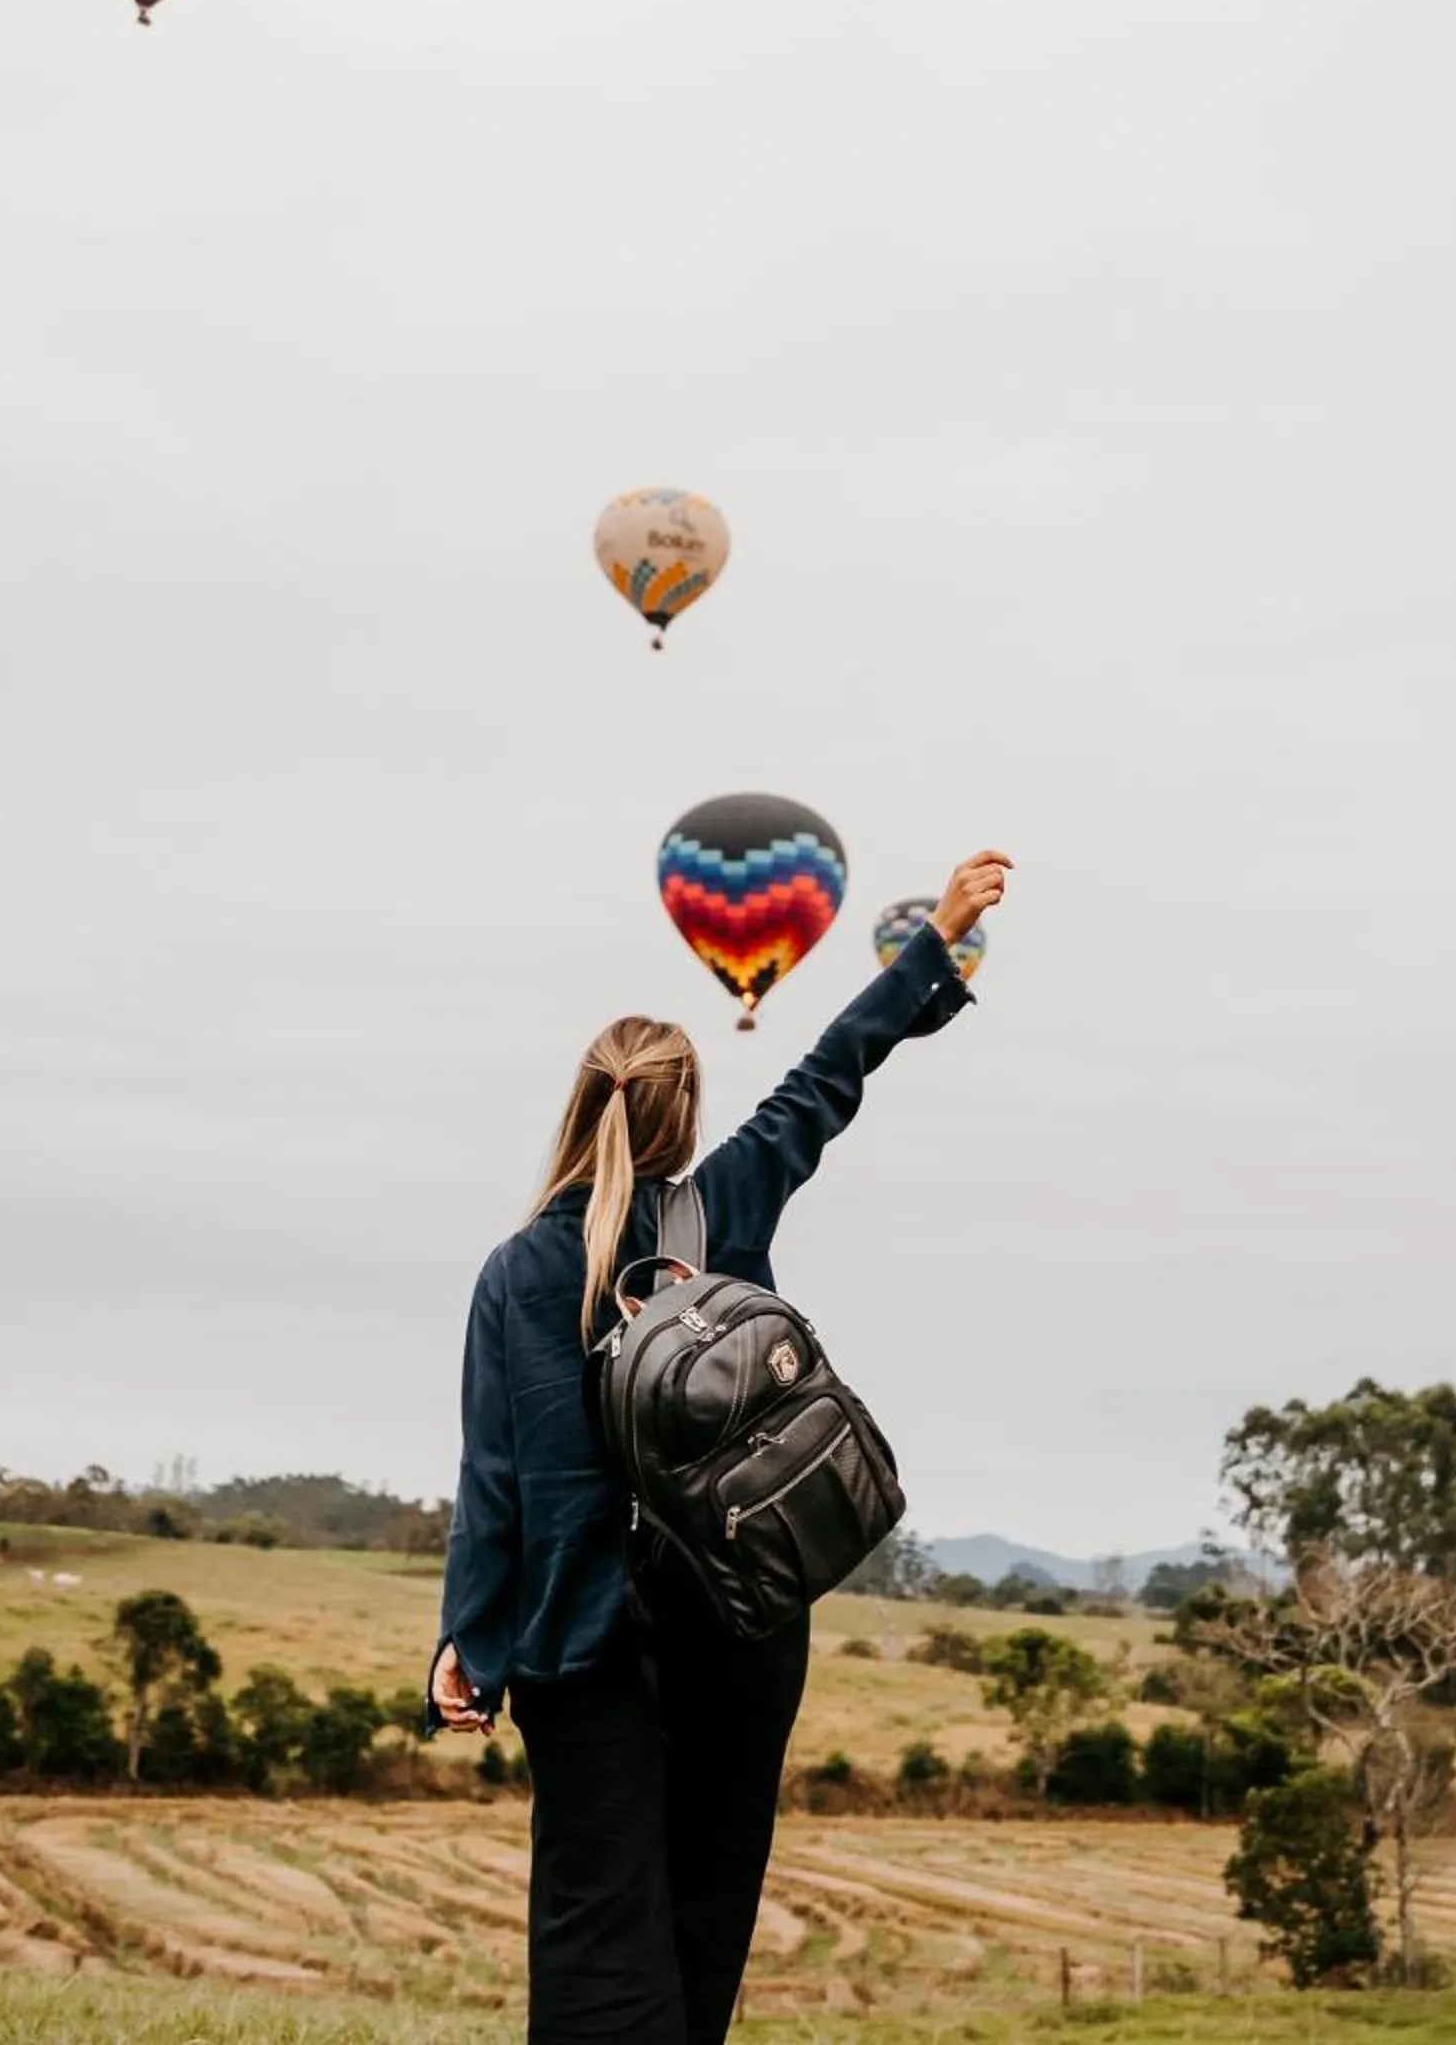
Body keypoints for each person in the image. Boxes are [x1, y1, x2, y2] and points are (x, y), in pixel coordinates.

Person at [428, 847, 1013, 2045]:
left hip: (577, 1643)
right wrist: (937, 938)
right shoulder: (727, 1204)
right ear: (682, 1114)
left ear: (579, 1106)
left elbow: (495, 1489)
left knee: (597, 1923)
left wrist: (469, 1644)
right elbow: (826, 1078)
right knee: (706, 1913)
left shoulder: (517, 1271)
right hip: (739, 1624)